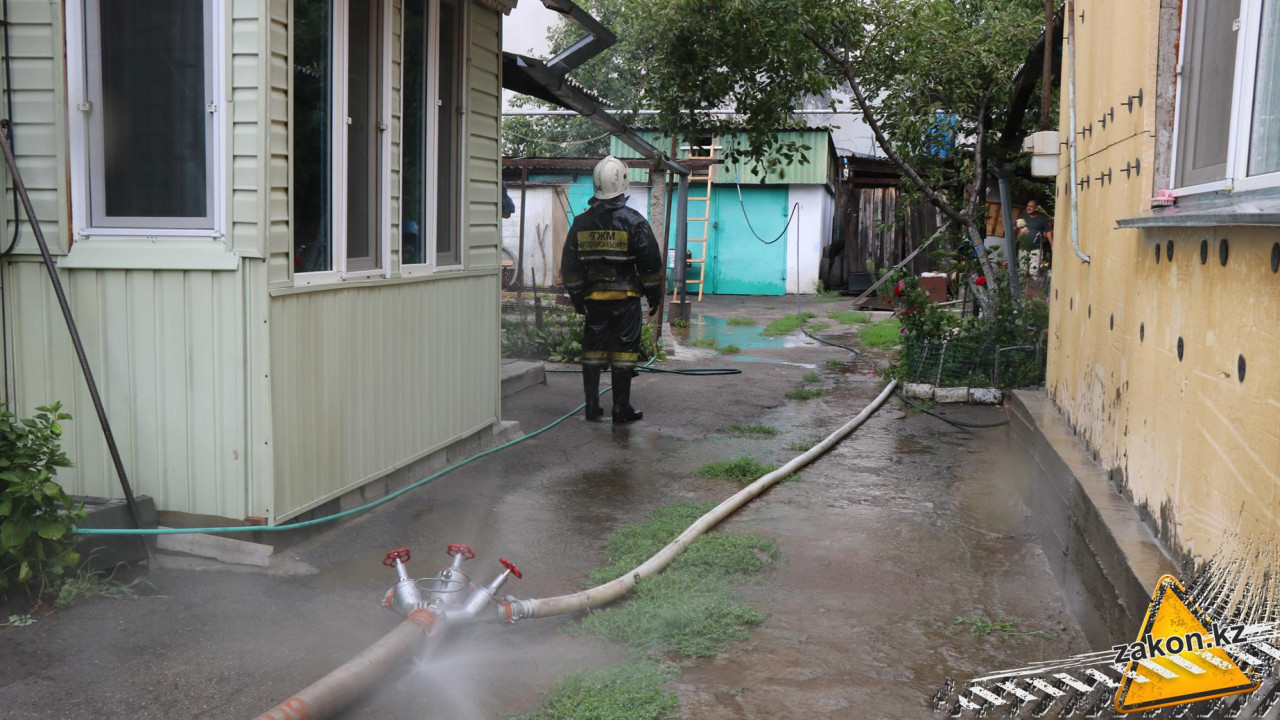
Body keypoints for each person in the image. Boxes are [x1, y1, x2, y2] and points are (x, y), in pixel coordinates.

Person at [560, 156, 664, 423]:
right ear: (623, 182)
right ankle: (621, 409)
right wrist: (654, 295)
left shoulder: (581, 222)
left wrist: (577, 296)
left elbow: (570, 265)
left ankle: (591, 407)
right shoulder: (634, 221)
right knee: (624, 353)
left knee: (592, 352)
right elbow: (650, 263)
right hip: (626, 300)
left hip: (594, 300)